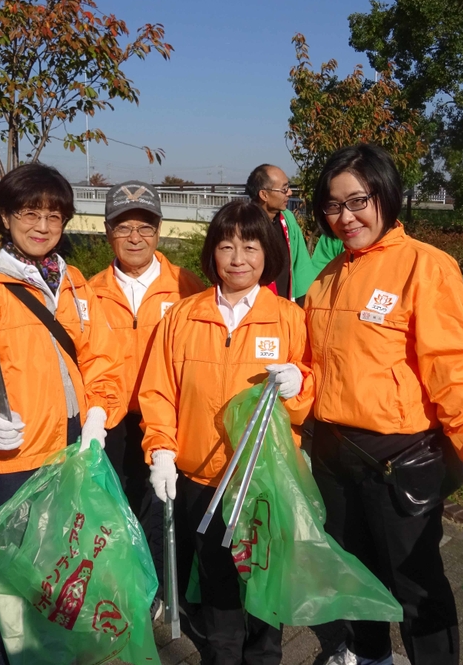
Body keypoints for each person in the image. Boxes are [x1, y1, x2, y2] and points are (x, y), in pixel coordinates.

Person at [304, 144, 463, 665]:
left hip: (401, 461)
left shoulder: (425, 266)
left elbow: (455, 364)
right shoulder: (327, 279)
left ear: (386, 195)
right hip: (336, 455)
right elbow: (319, 367)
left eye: (357, 201)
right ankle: (372, 656)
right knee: (355, 572)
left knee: (416, 586)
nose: (345, 217)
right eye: (333, 206)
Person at [139, 200, 314, 665]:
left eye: (251, 246)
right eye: (227, 246)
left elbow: (310, 393)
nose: (238, 258)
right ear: (212, 253)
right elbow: (158, 390)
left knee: (263, 594)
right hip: (202, 482)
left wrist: (300, 385)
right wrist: (160, 450)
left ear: (269, 253)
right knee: (218, 595)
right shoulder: (183, 316)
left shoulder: (289, 318)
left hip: (263, 486)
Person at [0, 163, 126, 516]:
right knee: (22, 558)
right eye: (30, 213)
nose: (42, 227)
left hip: (77, 441)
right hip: (19, 448)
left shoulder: (74, 283)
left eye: (54, 216)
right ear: (4, 216)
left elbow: (101, 356)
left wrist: (98, 413)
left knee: (74, 551)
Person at [88, 180, 204, 616]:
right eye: (123, 227)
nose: (135, 237)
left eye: (145, 226)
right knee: (117, 507)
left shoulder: (185, 284)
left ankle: (162, 585)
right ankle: (125, 581)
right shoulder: (90, 291)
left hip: (170, 417)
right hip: (113, 420)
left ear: (159, 230)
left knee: (166, 508)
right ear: (107, 232)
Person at [246, 164, 316, 302]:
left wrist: (302, 304)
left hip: (285, 307)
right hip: (254, 306)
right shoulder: (245, 224)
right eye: (284, 189)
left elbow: (301, 264)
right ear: (264, 194)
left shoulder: (287, 219)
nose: (289, 192)